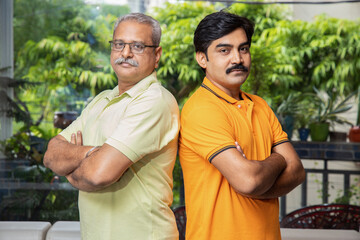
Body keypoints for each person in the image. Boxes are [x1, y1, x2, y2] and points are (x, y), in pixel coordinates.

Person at [44, 13, 180, 240]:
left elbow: (98, 175)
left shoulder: (155, 101)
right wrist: (91, 153)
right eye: (119, 44)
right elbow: (51, 154)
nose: (125, 53)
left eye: (137, 46)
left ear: (156, 55)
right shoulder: (100, 100)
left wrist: (72, 167)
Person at [179, 11, 305, 240]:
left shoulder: (259, 106)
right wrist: (278, 160)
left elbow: (296, 171)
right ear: (202, 59)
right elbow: (249, 181)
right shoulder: (202, 109)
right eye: (224, 50)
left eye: (243, 49)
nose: (237, 58)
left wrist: (256, 182)